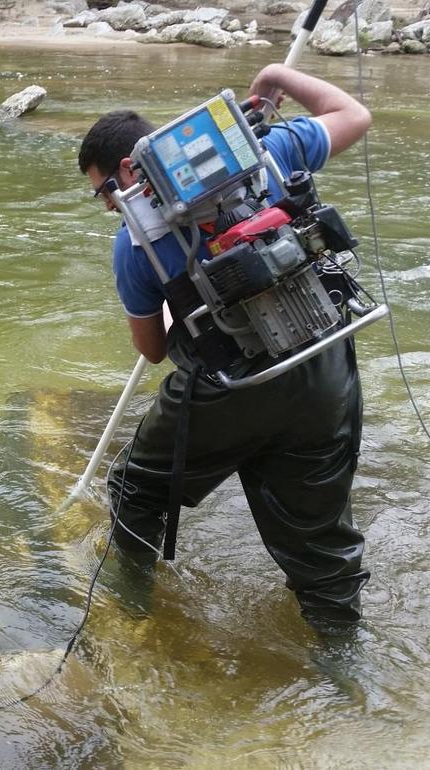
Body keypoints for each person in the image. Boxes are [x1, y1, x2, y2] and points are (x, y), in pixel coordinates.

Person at [77, 64, 373, 633]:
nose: (111, 206)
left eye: (104, 194)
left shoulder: (137, 243)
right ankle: (343, 664)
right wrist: (275, 74)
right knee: (322, 545)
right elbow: (355, 115)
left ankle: (134, 614)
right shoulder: (271, 153)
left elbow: (154, 349)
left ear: (124, 171)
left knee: (136, 487)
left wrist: (183, 295)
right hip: (323, 367)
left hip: (230, 387)